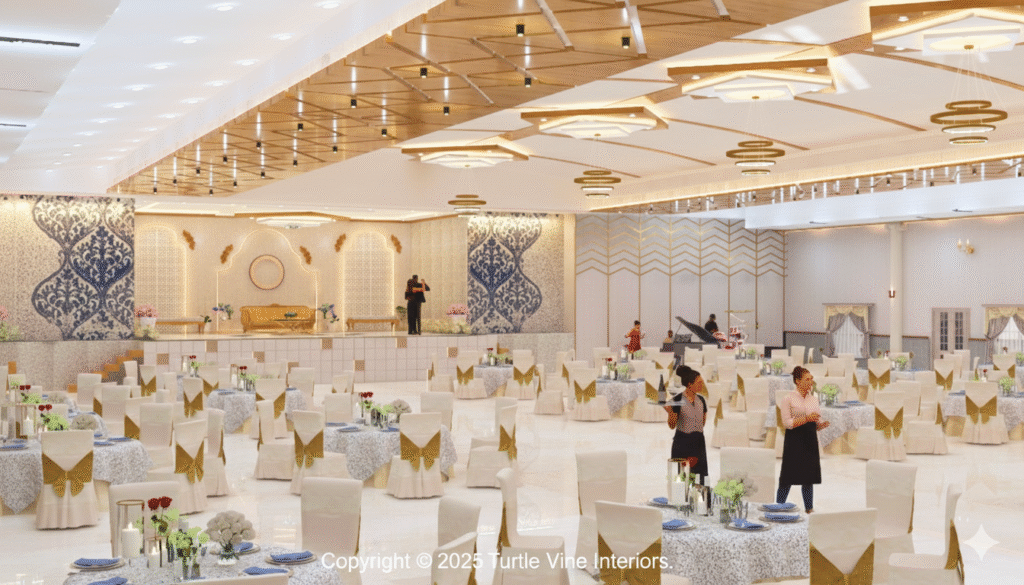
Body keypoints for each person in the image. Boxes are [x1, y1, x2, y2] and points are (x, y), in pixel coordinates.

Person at [777, 365, 830, 513]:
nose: (811, 381)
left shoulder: (813, 399)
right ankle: (778, 507)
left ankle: (809, 509)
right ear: (798, 381)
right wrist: (807, 418)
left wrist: (820, 425)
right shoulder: (788, 399)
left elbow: (813, 422)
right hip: (794, 440)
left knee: (808, 478)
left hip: (810, 440)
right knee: (787, 478)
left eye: (811, 378)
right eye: (807, 379)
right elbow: (787, 423)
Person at [664, 366, 708, 484]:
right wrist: (671, 412)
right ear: (689, 384)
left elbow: (702, 423)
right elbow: (672, 425)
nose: (702, 385)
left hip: (699, 444)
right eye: (699, 382)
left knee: (700, 479)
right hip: (682, 444)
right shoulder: (677, 400)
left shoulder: (702, 400)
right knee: (683, 479)